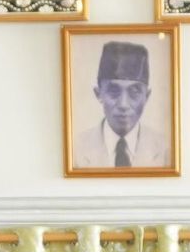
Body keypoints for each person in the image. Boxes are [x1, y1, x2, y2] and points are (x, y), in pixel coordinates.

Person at [72, 40, 170, 169]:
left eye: (134, 92)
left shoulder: (167, 151)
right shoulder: (75, 150)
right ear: (98, 93)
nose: (123, 104)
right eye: (114, 91)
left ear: (147, 96)